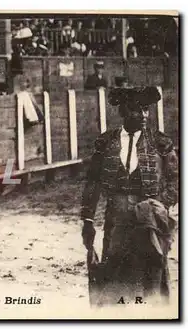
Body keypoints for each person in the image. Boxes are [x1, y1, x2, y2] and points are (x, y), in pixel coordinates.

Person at [80, 86, 178, 306]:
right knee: (114, 271)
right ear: (123, 111)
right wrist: (87, 220)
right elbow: (93, 182)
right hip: (115, 217)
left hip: (149, 219)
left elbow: (177, 180)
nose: (143, 115)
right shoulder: (105, 142)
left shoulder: (161, 142)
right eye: (136, 109)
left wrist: (158, 205)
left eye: (146, 109)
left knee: (151, 274)